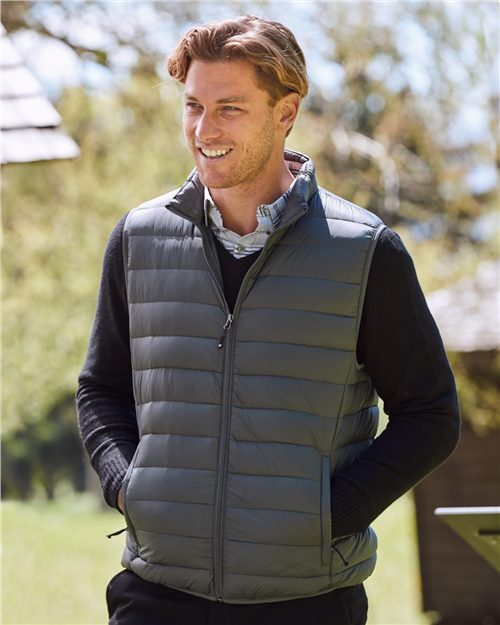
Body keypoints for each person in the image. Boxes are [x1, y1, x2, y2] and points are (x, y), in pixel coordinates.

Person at [76, 15, 460, 625]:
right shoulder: (138, 239)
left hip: (307, 601)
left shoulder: (364, 251)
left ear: (286, 112)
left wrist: (329, 516)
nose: (204, 129)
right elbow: (101, 390)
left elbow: (431, 414)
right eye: (194, 105)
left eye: (229, 108)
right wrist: (129, 488)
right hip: (155, 594)